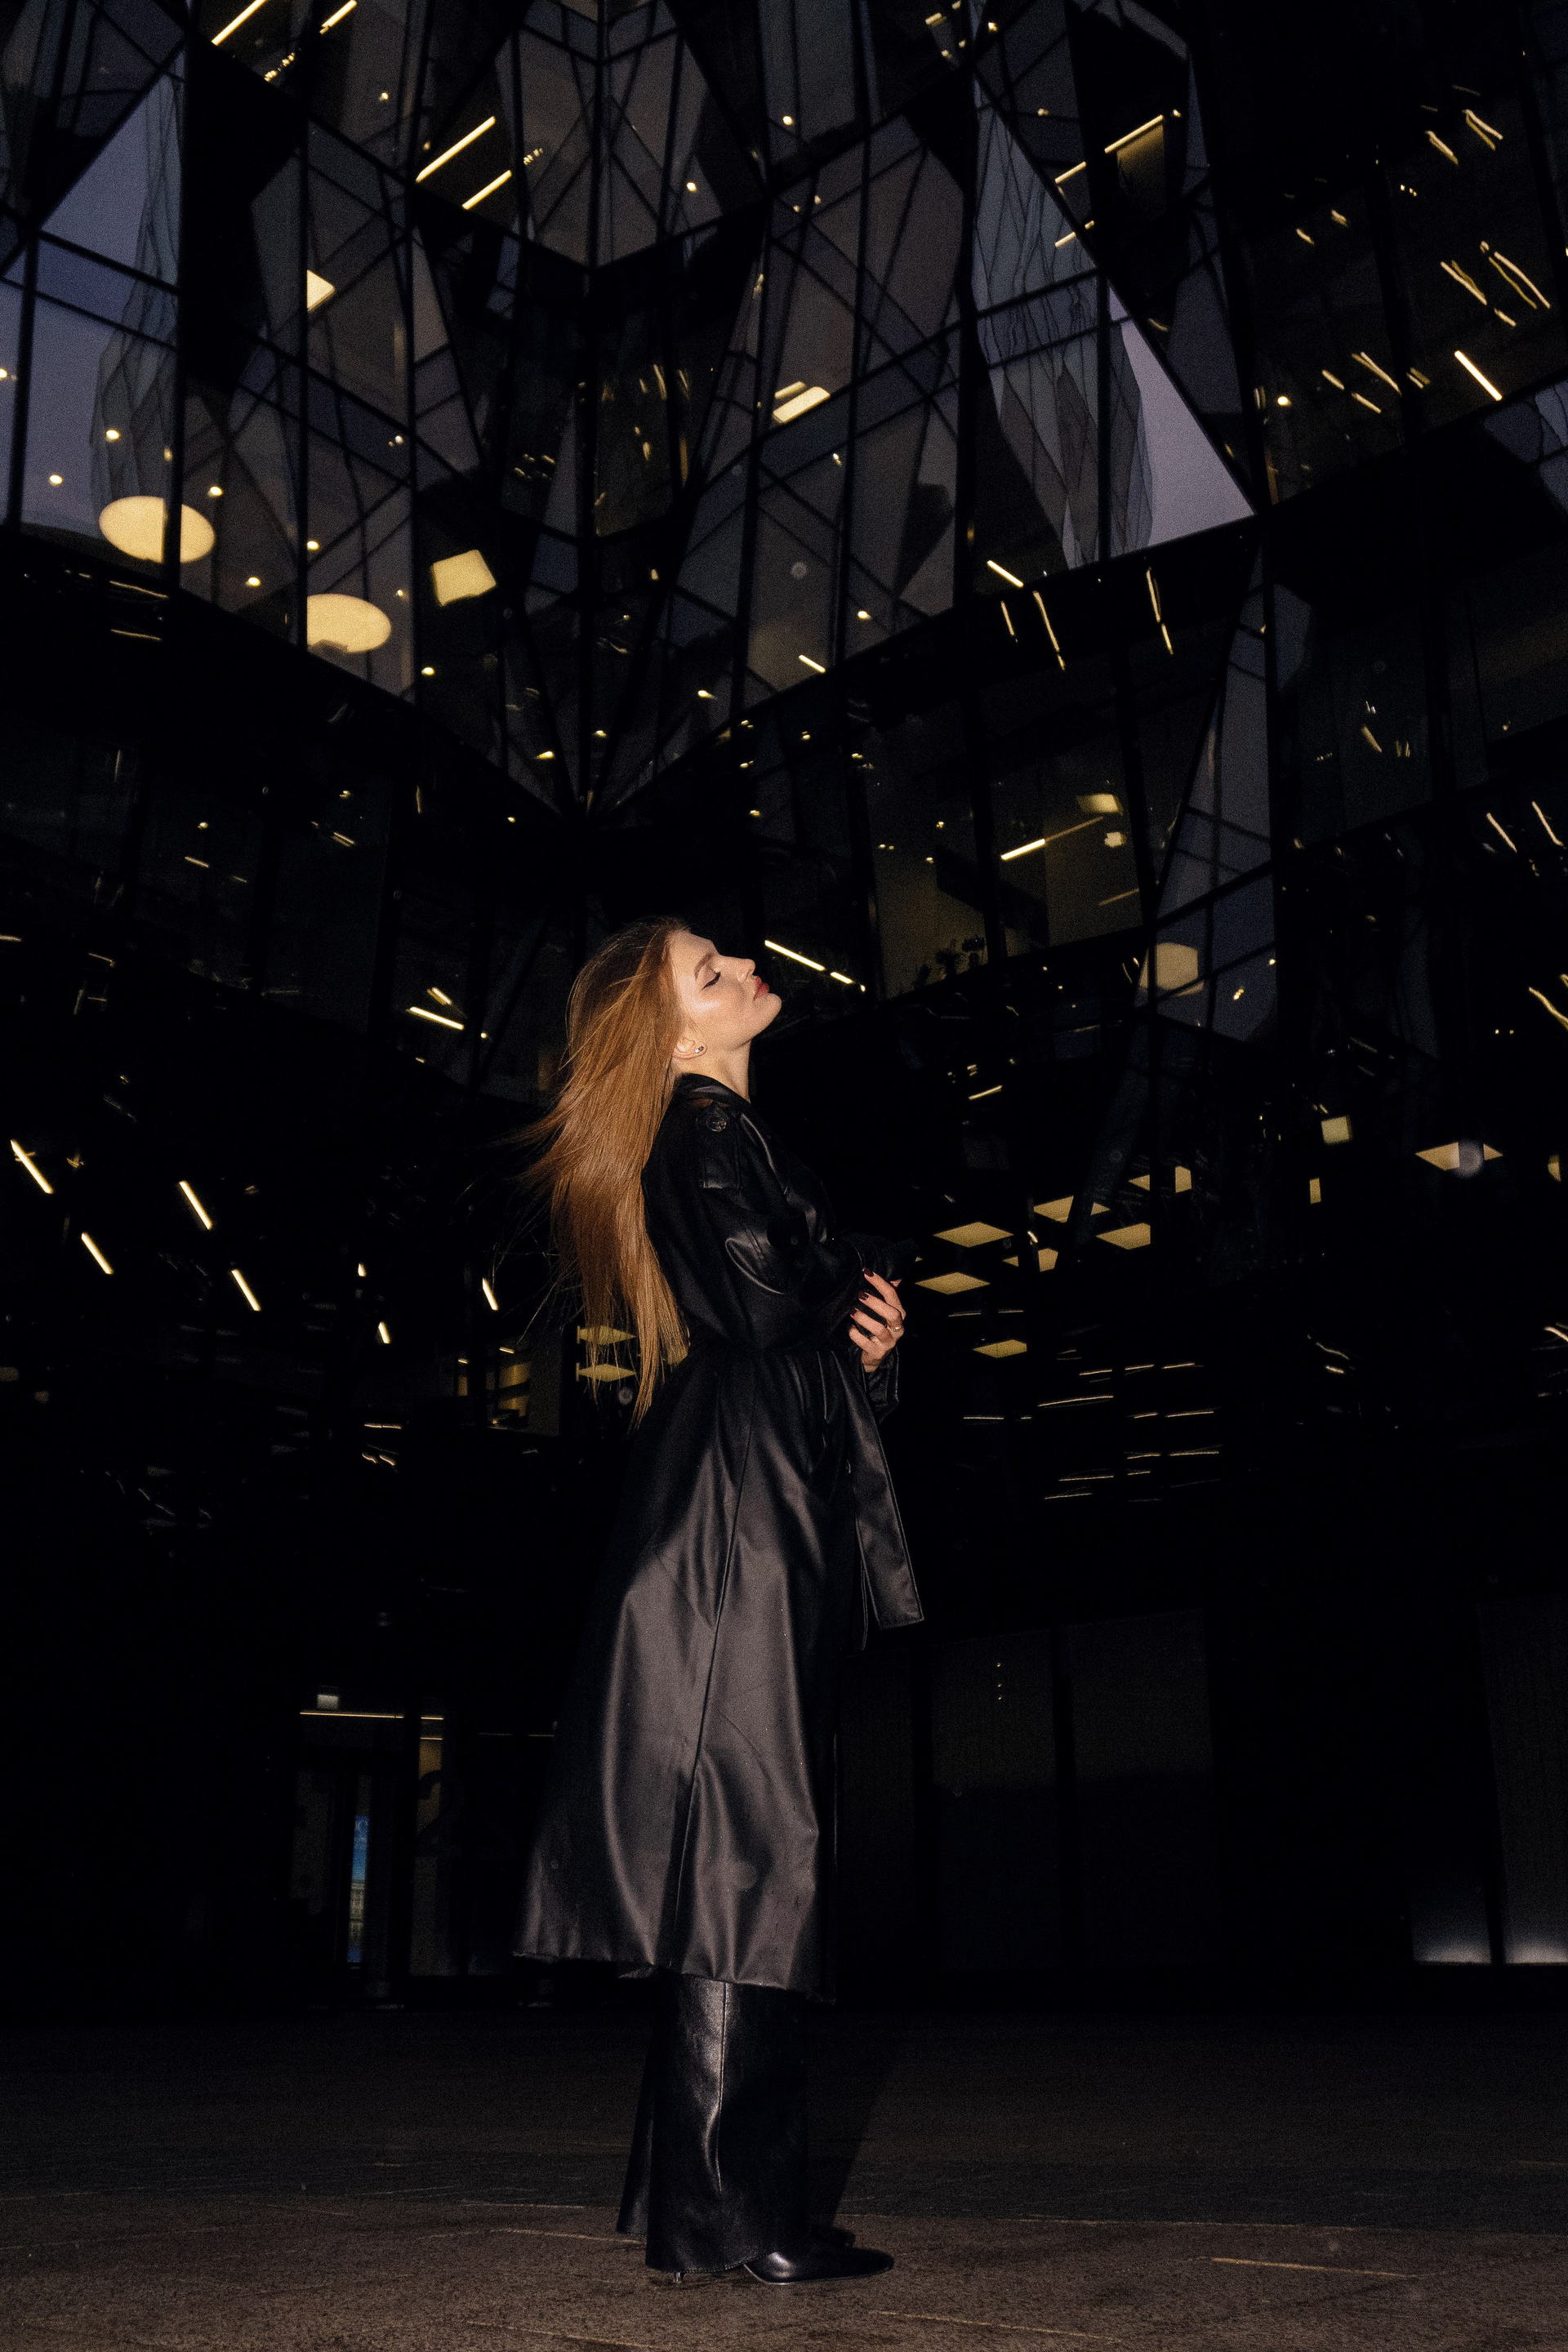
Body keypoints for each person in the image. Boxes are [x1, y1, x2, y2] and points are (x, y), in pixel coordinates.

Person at [514, 915, 920, 2285]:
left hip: (742, 1503)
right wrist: (853, 1283)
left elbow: (791, 1333)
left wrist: (868, 1339)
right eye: (712, 972)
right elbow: (765, 1309)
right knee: (753, 1846)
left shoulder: (720, 1138)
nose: (748, 969)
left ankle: (703, 2203)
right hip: (740, 1520)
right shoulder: (701, 1132)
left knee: (742, 1848)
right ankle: (736, 2219)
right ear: (678, 1031)